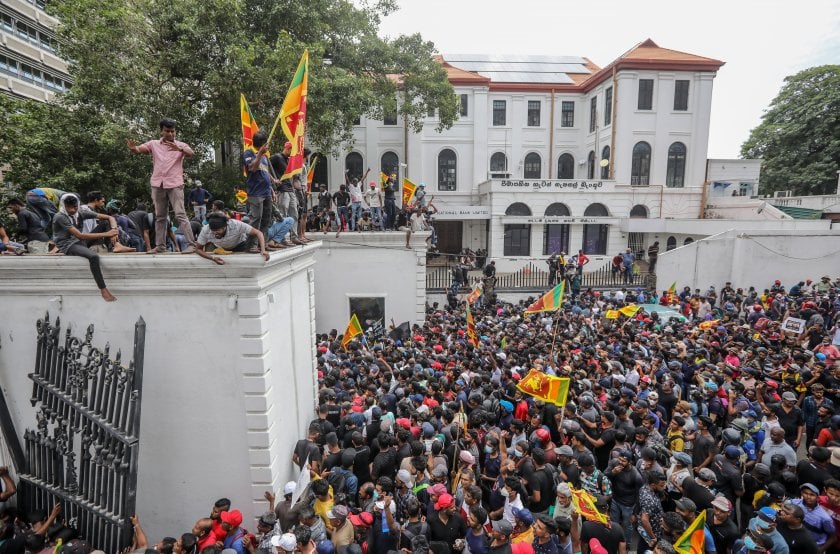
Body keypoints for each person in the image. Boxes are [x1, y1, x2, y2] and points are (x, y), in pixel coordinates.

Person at [127, 117, 197, 253]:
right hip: (157, 183)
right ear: (161, 132)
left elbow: (191, 153)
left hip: (175, 183)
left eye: (173, 131)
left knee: (180, 213)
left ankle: (192, 244)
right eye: (167, 131)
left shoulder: (181, 144)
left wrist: (180, 149)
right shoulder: (153, 144)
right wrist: (133, 148)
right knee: (160, 216)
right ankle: (160, 246)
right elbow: (140, 149)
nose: (170, 134)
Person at [52, 194, 119, 301]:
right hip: (68, 245)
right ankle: (103, 289)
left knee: (105, 223)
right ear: (64, 206)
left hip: (80, 241)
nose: (72, 210)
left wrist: (114, 230)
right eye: (68, 207)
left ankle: (117, 245)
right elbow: (80, 235)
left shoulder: (81, 213)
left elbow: (109, 217)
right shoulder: (60, 216)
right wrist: (107, 234)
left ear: (78, 205)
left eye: (74, 207)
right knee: (93, 257)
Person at [193, 213, 270, 264]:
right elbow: (198, 249)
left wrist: (263, 250)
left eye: (218, 230)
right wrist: (212, 258)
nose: (215, 233)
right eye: (213, 230)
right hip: (220, 248)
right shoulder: (206, 230)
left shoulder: (236, 224)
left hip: (240, 245)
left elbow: (258, 233)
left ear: (225, 226)